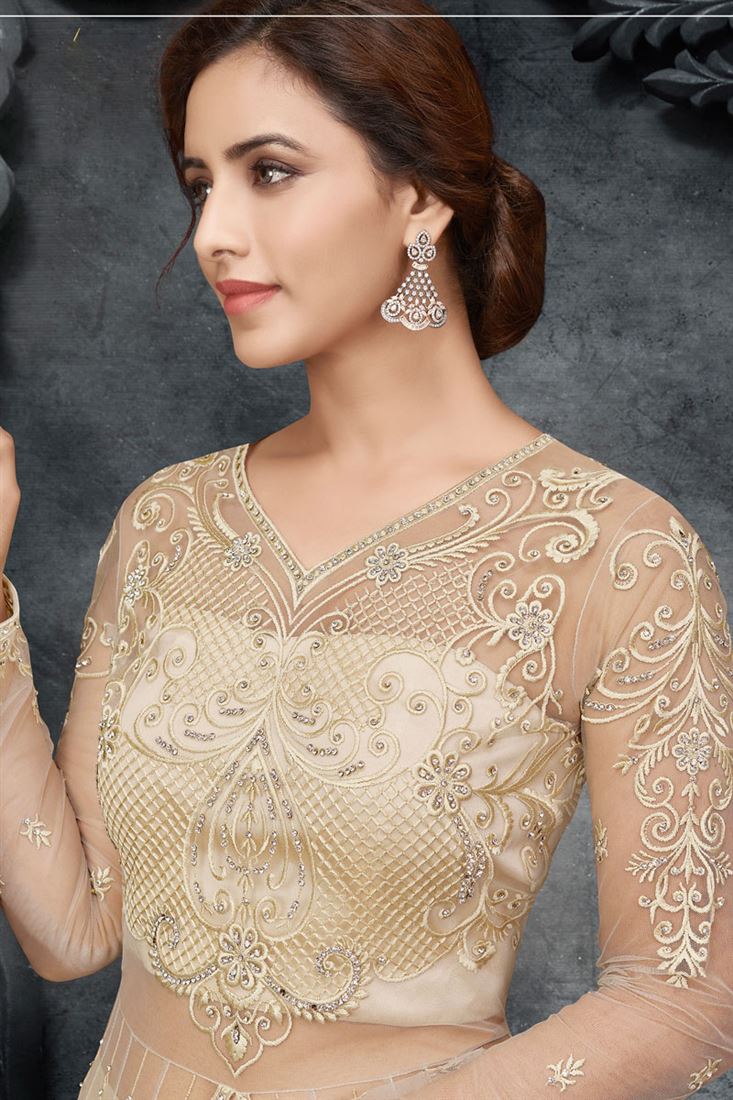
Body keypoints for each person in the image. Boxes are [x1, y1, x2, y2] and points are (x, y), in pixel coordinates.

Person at [1, 0, 732, 1097]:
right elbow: (73, 931)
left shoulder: (617, 553)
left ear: (420, 194)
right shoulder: (167, 518)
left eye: (270, 171)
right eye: (200, 185)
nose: (212, 233)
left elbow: (686, 998)